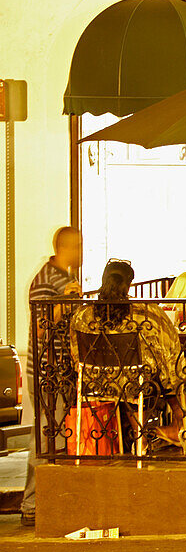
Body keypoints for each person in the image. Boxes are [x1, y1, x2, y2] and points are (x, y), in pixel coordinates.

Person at [69, 259, 186, 450]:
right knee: (171, 378)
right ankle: (178, 427)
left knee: (131, 378)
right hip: (136, 384)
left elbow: (76, 354)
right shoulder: (147, 312)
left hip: (96, 383)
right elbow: (169, 350)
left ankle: (139, 435)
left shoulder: (83, 314)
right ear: (129, 284)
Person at [21, 226, 82, 527]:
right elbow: (40, 328)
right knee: (45, 438)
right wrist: (62, 304)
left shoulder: (66, 278)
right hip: (46, 371)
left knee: (56, 437)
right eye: (77, 246)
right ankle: (31, 504)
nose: (81, 252)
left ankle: (48, 500)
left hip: (62, 371)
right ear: (64, 248)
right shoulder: (44, 280)